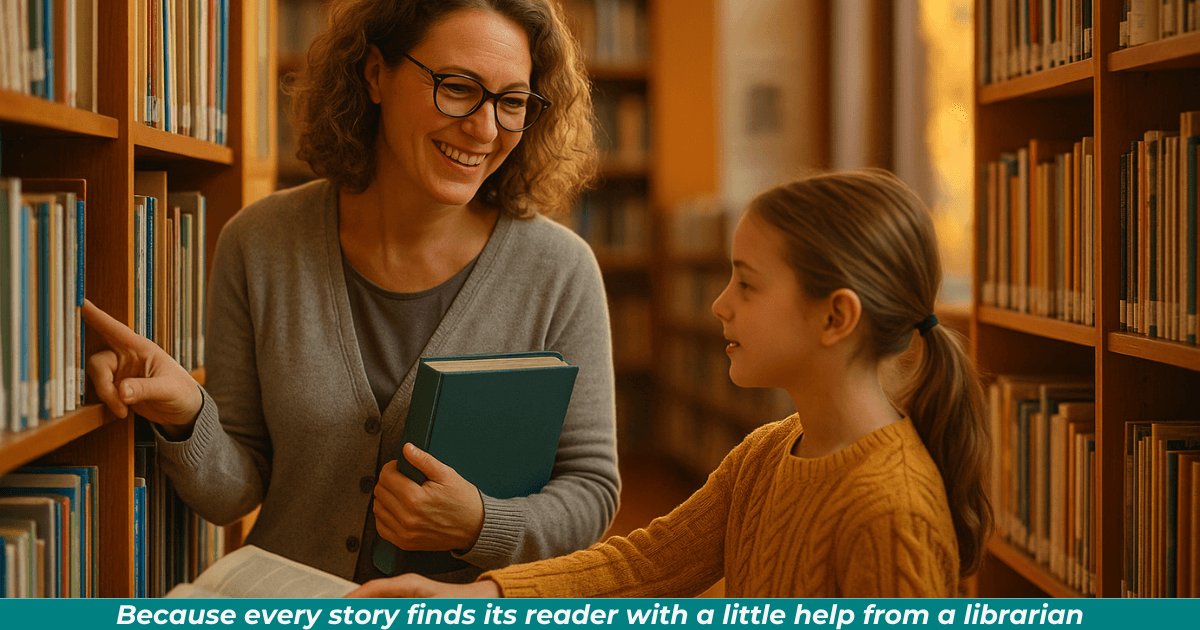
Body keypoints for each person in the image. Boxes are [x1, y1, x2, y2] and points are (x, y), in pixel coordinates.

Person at [82, 0, 620, 584]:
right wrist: (188, 416)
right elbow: (233, 494)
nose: (485, 129)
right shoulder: (259, 243)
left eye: (512, 102)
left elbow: (591, 489)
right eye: (458, 87)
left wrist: (480, 523)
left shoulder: (561, 272)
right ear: (374, 75)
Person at [348, 169, 994, 598]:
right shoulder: (768, 453)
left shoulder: (892, 514)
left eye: (746, 283)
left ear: (835, 316)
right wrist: (474, 598)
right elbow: (647, 564)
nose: (719, 304)